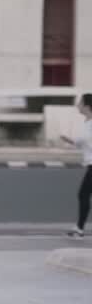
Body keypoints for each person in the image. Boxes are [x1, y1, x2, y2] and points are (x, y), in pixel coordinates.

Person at [59, 93, 92, 239]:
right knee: (83, 194)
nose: (77, 105)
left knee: (83, 194)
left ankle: (79, 229)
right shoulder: (86, 122)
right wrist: (69, 140)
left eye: (80, 102)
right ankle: (79, 228)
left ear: (87, 106)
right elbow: (81, 142)